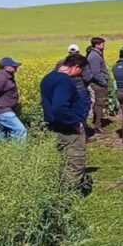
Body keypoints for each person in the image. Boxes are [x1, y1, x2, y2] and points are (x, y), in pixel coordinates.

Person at [41, 54, 90, 191]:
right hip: (68, 129)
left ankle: (58, 190)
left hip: (54, 127)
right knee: (75, 163)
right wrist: (75, 122)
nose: (81, 74)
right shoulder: (65, 81)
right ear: (76, 67)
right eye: (82, 70)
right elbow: (59, 107)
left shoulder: (48, 77)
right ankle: (68, 197)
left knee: (61, 161)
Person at [56, 45, 93, 134]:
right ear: (78, 52)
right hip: (80, 89)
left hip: (65, 90)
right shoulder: (81, 63)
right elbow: (87, 77)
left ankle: (71, 131)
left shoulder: (60, 63)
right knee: (82, 111)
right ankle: (82, 134)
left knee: (70, 110)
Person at [87, 36, 110, 132]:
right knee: (99, 104)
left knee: (100, 104)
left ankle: (98, 122)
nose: (104, 46)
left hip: (99, 83)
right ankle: (97, 125)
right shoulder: (94, 56)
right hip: (97, 84)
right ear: (97, 45)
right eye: (102, 44)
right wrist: (103, 82)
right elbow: (96, 73)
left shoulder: (96, 54)